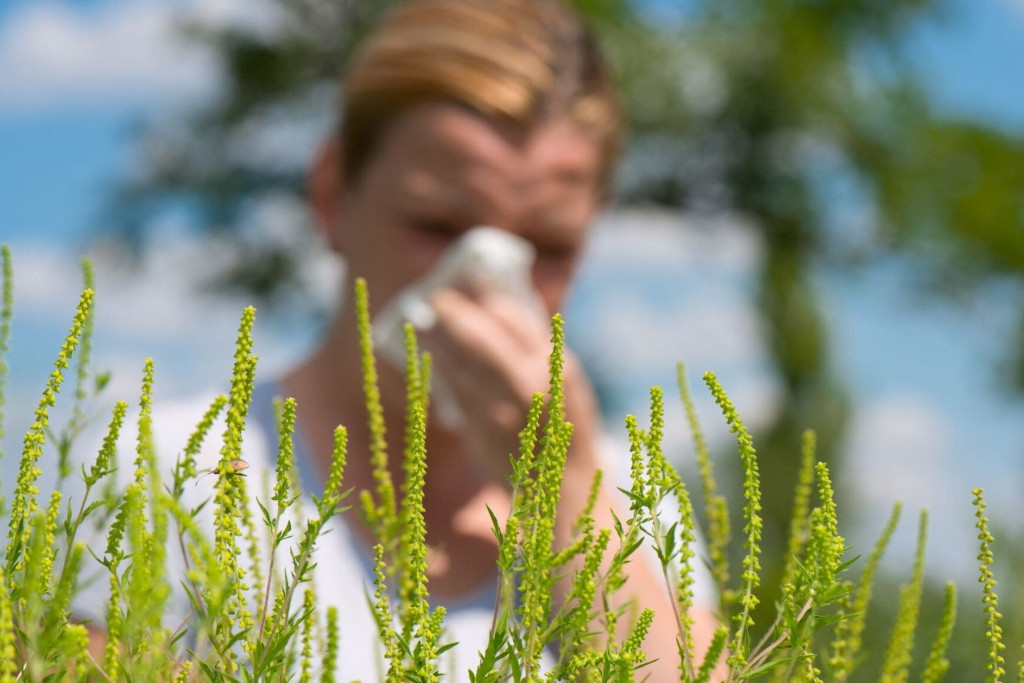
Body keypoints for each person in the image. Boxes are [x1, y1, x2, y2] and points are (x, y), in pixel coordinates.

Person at [76, 0, 724, 678]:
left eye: (549, 245)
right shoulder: (170, 471)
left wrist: (564, 489)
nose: (485, 284)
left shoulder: (633, 494)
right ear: (332, 196)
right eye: (437, 226)